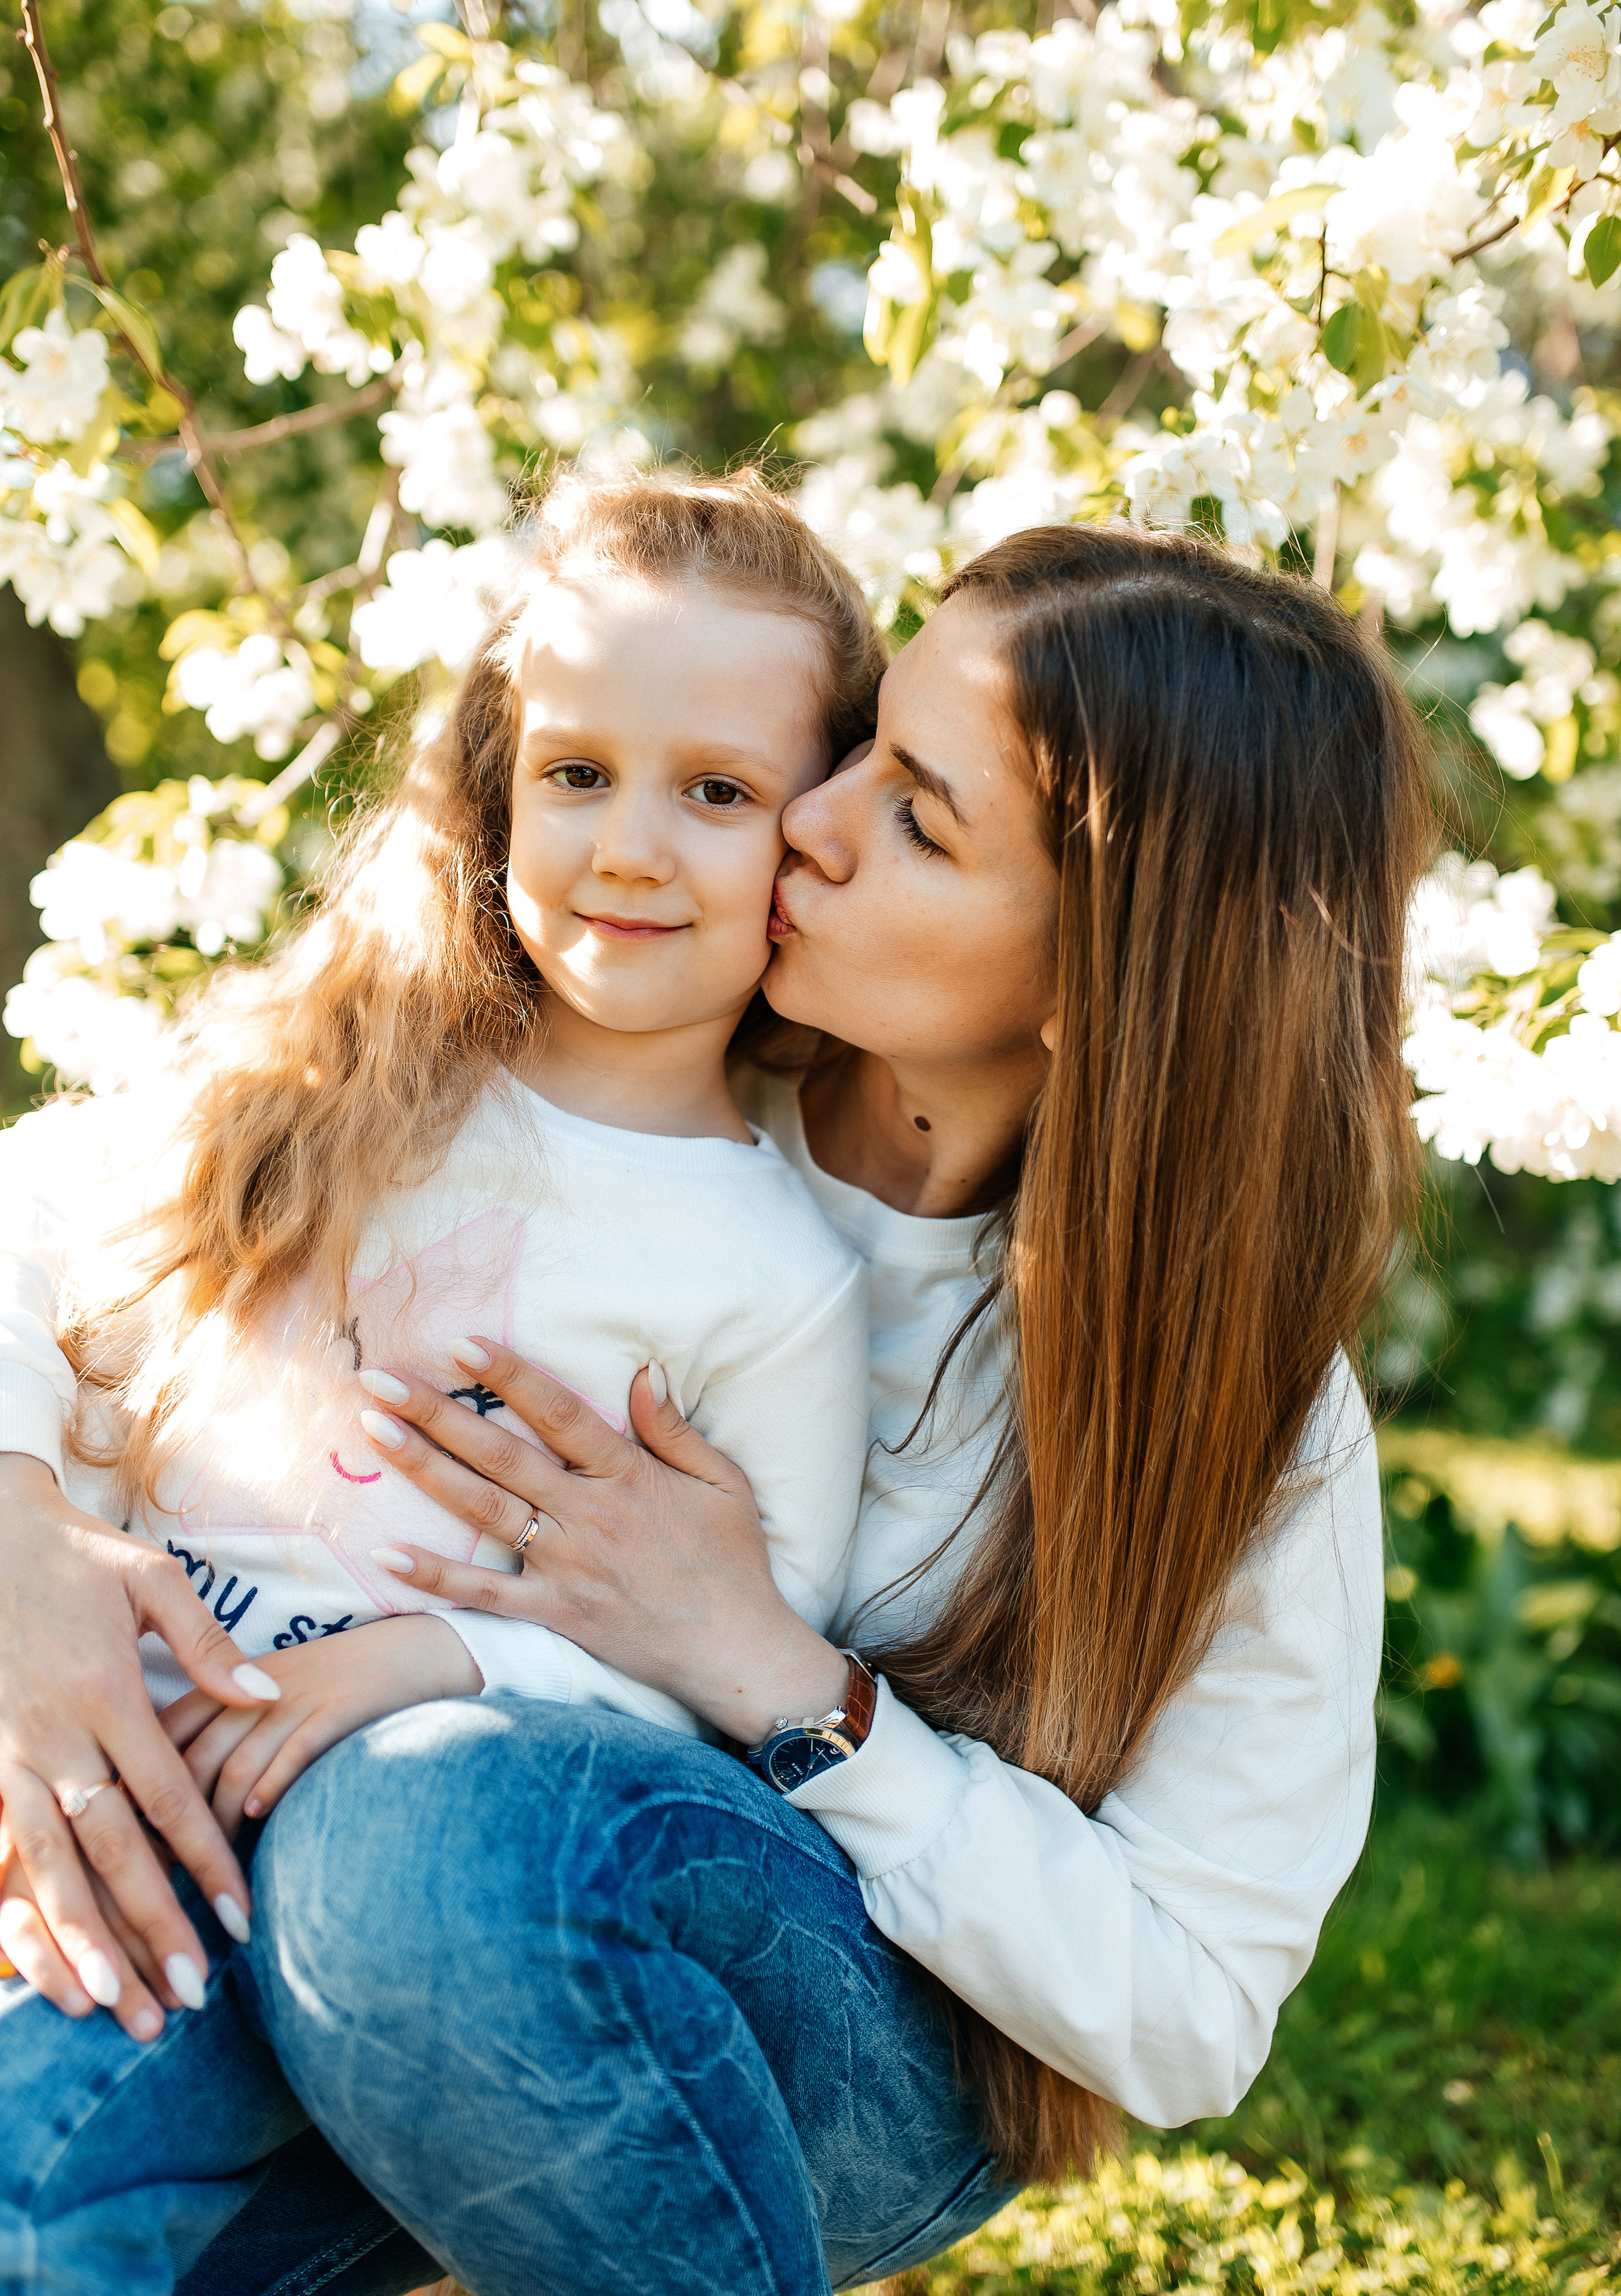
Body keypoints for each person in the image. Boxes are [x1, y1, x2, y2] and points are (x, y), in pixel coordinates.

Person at [0, 520, 1433, 2296]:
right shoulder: (637, 1042)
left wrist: (792, 1687)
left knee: (421, 1831)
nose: (812, 825)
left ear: (1099, 979)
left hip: (823, 2039)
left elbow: (1194, 2012)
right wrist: (21, 1536)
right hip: (334, 1900)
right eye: (854, 752)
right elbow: (51, 1210)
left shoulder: (1235, 1414)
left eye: (914, 812)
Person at [0, 466, 878, 2033]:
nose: (628, 848)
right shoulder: (330, 1077)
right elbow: (35, 1232)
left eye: (718, 793)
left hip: (344, 1885)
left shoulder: (776, 1279)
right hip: (67, 1756)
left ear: (811, 837)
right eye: (580, 773)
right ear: (497, 787)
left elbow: (732, 1662)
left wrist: (446, 1661)